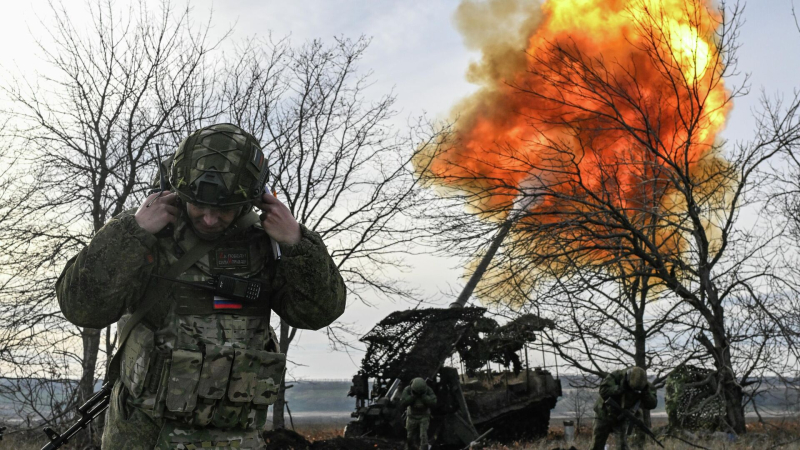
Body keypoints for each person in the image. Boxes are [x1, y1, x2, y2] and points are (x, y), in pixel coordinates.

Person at [56, 123, 346, 450]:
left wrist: (297, 242)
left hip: (235, 439)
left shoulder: (268, 242)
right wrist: (131, 231)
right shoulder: (146, 234)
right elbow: (81, 307)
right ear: (176, 188)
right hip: (144, 437)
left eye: (222, 209)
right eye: (198, 205)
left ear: (253, 199)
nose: (209, 218)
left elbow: (318, 313)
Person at [590, 367, 658, 450]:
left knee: (622, 446)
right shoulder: (617, 376)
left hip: (621, 418)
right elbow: (603, 391)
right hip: (603, 413)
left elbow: (652, 404)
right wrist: (620, 389)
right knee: (597, 445)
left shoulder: (646, 387)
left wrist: (645, 393)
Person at [399, 377, 437, 450]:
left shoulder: (428, 390)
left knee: (423, 436)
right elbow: (403, 402)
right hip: (411, 416)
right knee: (410, 435)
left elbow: (433, 402)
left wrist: (424, 397)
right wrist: (412, 397)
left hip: (424, 416)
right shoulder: (408, 390)